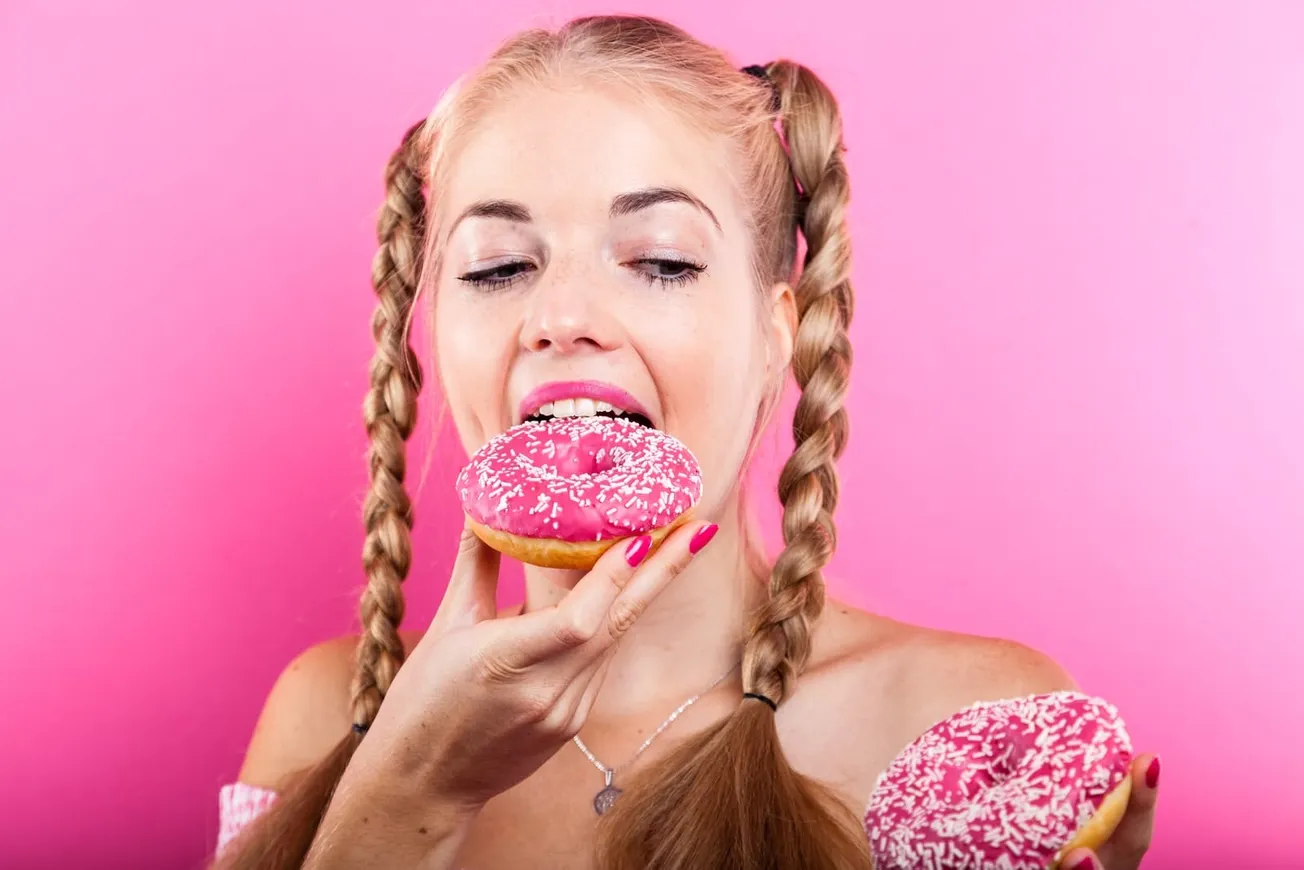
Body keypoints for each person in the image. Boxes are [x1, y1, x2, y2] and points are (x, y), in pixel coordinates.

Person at [212, 14, 1159, 870]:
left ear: (777, 337)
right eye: (498, 267)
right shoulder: (326, 712)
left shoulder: (959, 731)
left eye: (661, 261)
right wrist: (405, 794)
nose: (562, 316)